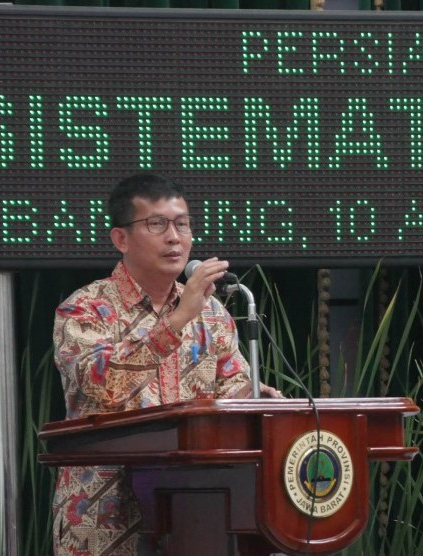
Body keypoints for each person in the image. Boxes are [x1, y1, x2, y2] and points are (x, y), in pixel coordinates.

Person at [51, 173, 282, 555]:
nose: (174, 237)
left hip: (198, 514)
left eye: (182, 223)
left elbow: (230, 392)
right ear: (120, 239)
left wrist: (254, 396)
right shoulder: (86, 307)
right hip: (106, 514)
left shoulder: (212, 314)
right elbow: (102, 384)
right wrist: (176, 321)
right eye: (156, 224)